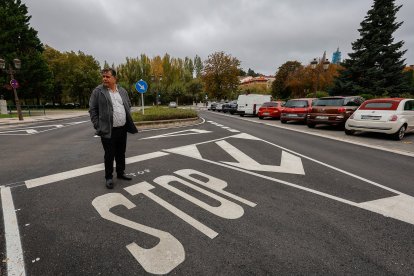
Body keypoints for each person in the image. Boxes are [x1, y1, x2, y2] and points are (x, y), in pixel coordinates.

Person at [89, 68, 138, 189]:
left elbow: (128, 104)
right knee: (109, 154)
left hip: (122, 128)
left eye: (107, 76)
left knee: (121, 153)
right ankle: (109, 177)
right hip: (108, 130)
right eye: (103, 76)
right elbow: (92, 109)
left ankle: (121, 173)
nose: (104, 78)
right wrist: (98, 125)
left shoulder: (122, 91)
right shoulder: (98, 91)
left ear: (115, 78)